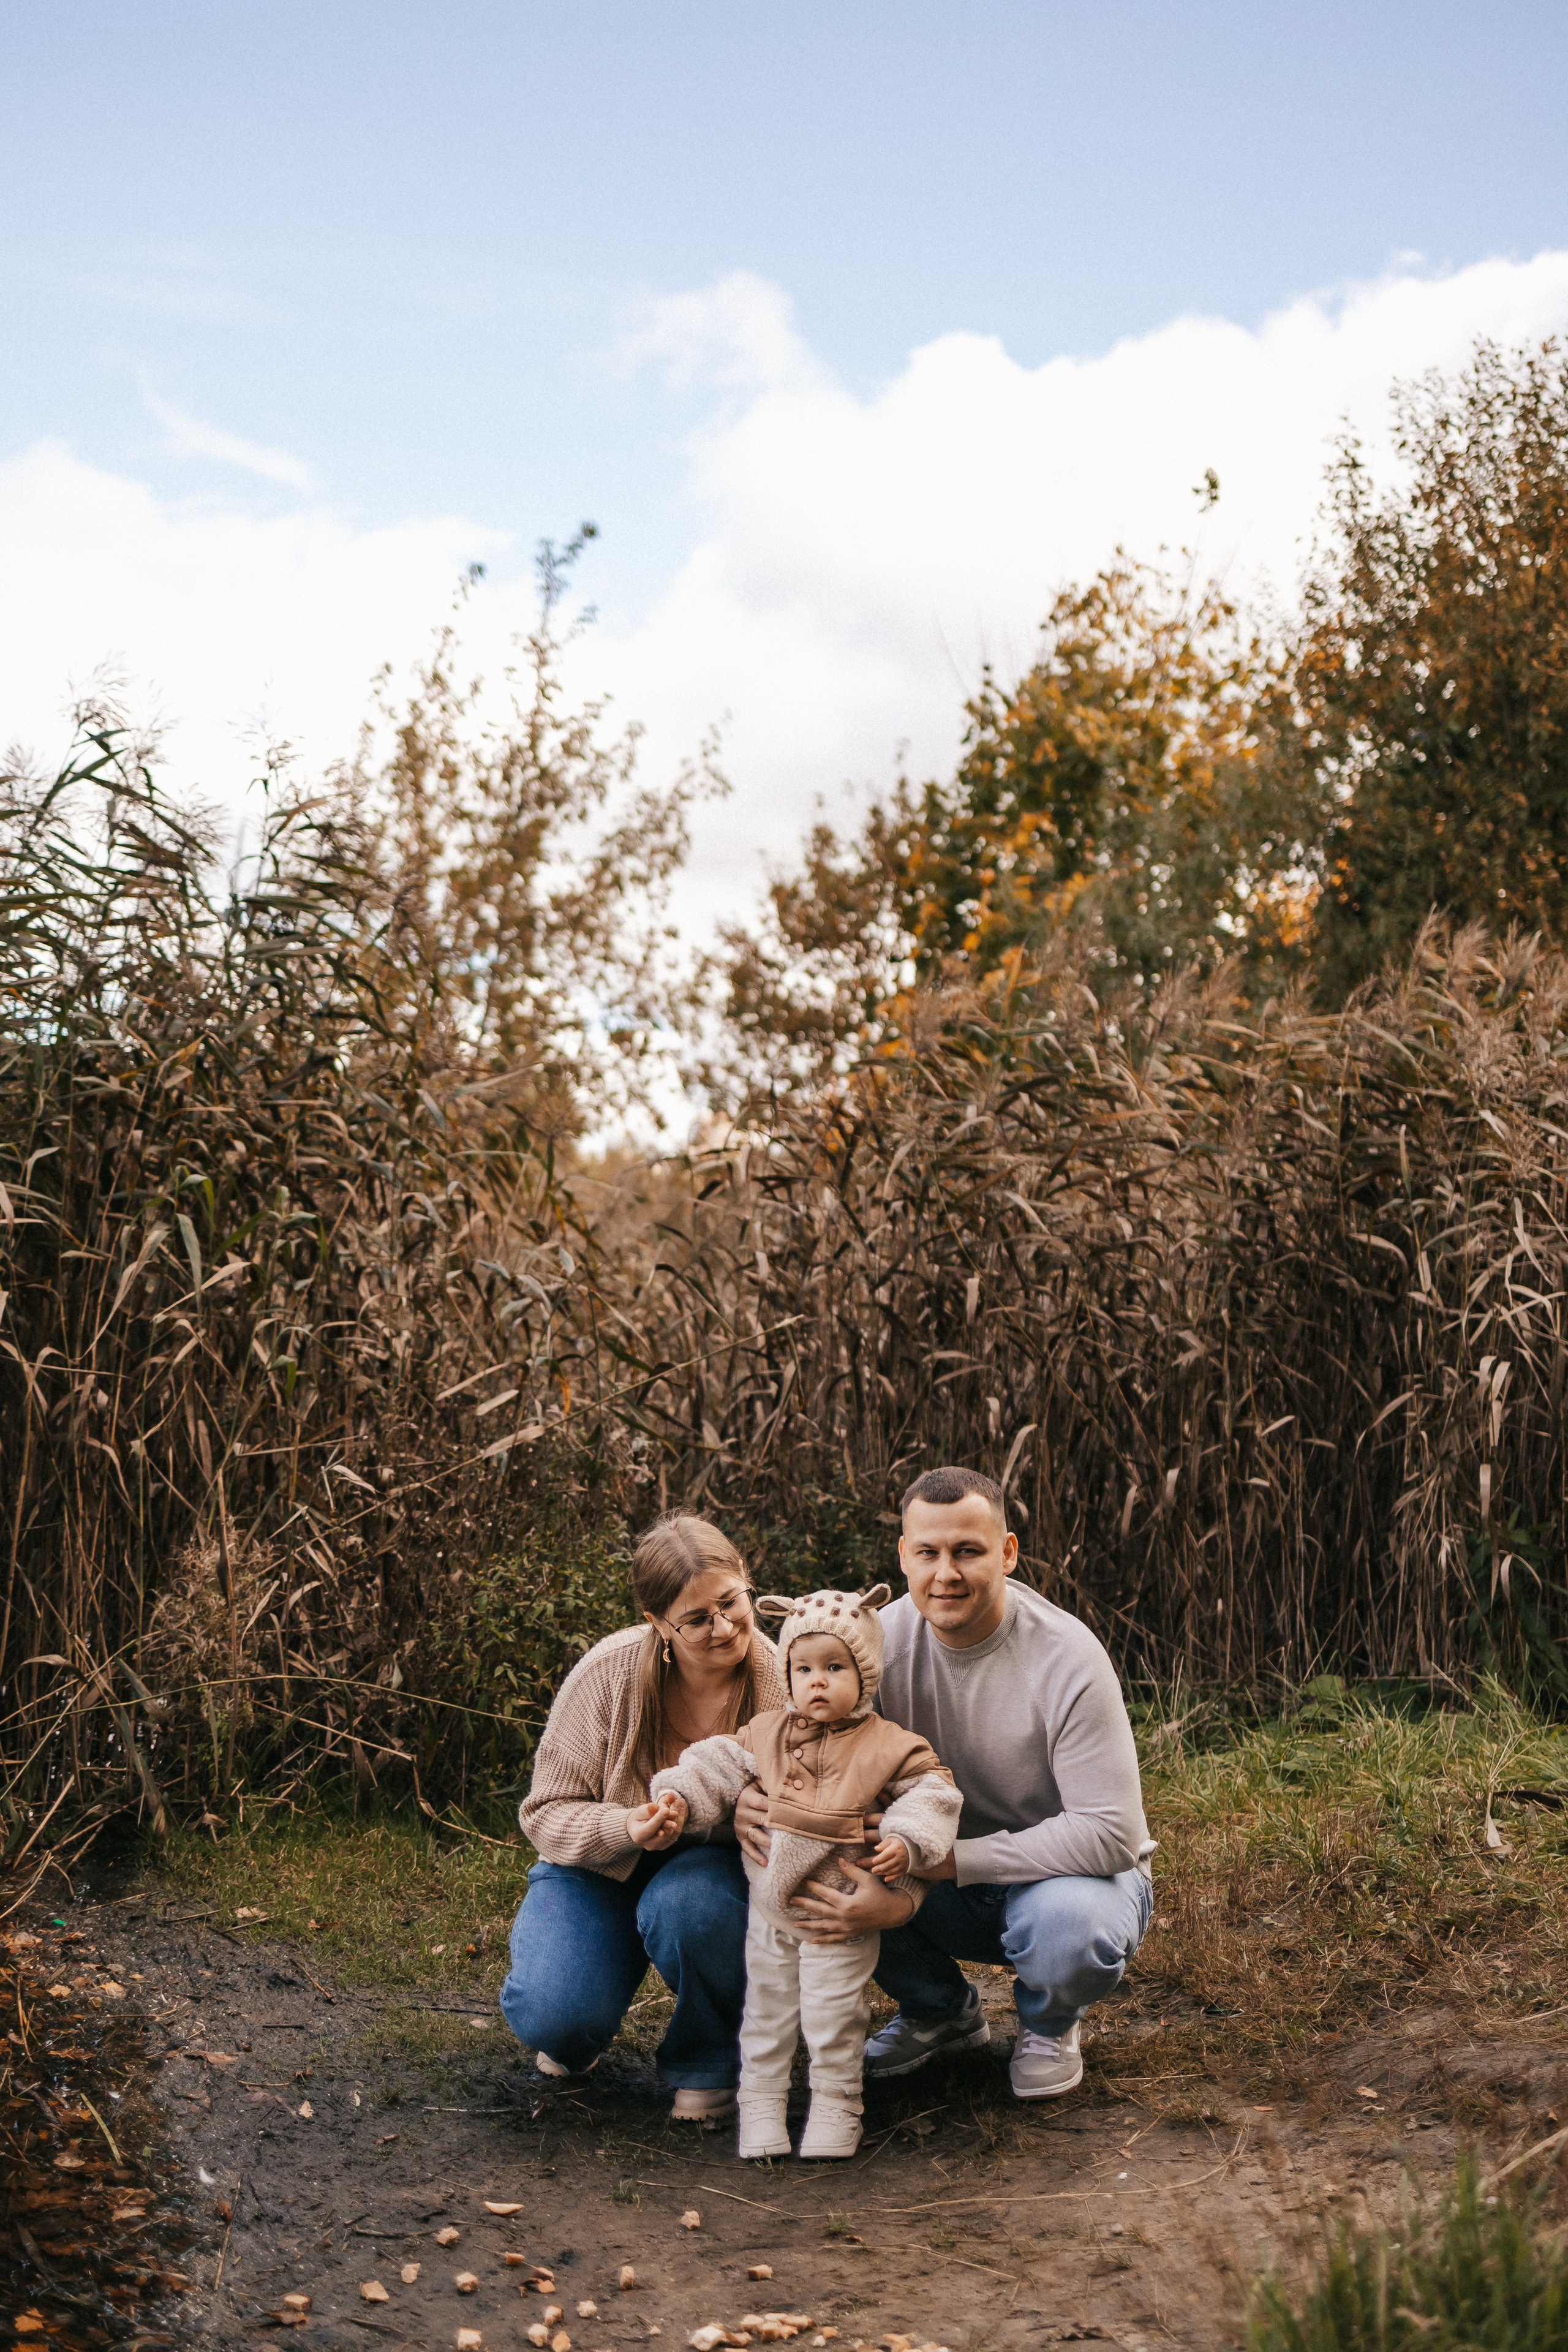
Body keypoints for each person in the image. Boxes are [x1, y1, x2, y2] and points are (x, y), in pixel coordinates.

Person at [734, 1466, 1154, 2100]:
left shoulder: (1068, 1657)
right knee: (813, 1859)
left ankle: (1049, 2022)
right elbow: (802, 1742)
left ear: (1007, 1553)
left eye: (968, 1551)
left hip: (1062, 1878)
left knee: (1074, 1928)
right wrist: (752, 1794)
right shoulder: (870, 1645)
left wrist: (942, 1864)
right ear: (904, 1555)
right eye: (928, 1553)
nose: (946, 1573)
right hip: (928, 1870)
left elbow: (1111, 1836)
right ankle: (939, 2011)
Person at [647, 1584, 961, 2160]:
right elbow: (715, 1762)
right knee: (765, 2014)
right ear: (788, 1674)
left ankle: (838, 2105)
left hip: (840, 1913)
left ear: (865, 1674)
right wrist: (680, 1795)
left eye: (835, 1667)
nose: (818, 1681)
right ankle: (761, 2105)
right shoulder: (765, 1733)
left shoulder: (892, 1746)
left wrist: (908, 1841)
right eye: (805, 1668)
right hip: (771, 1910)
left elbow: (932, 1795)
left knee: (832, 2015)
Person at [498, 1513, 785, 2120]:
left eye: (731, 1602)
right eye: (697, 1619)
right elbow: (544, 1812)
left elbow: (819, 1804)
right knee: (555, 2016)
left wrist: (744, 1817)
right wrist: (625, 1828)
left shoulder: (783, 1679)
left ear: (745, 1579)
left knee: (692, 1909)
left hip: (711, 1874)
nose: (724, 1627)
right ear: (657, 1623)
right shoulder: (608, 1674)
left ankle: (710, 2062)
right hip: (599, 1867)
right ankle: (581, 2017)